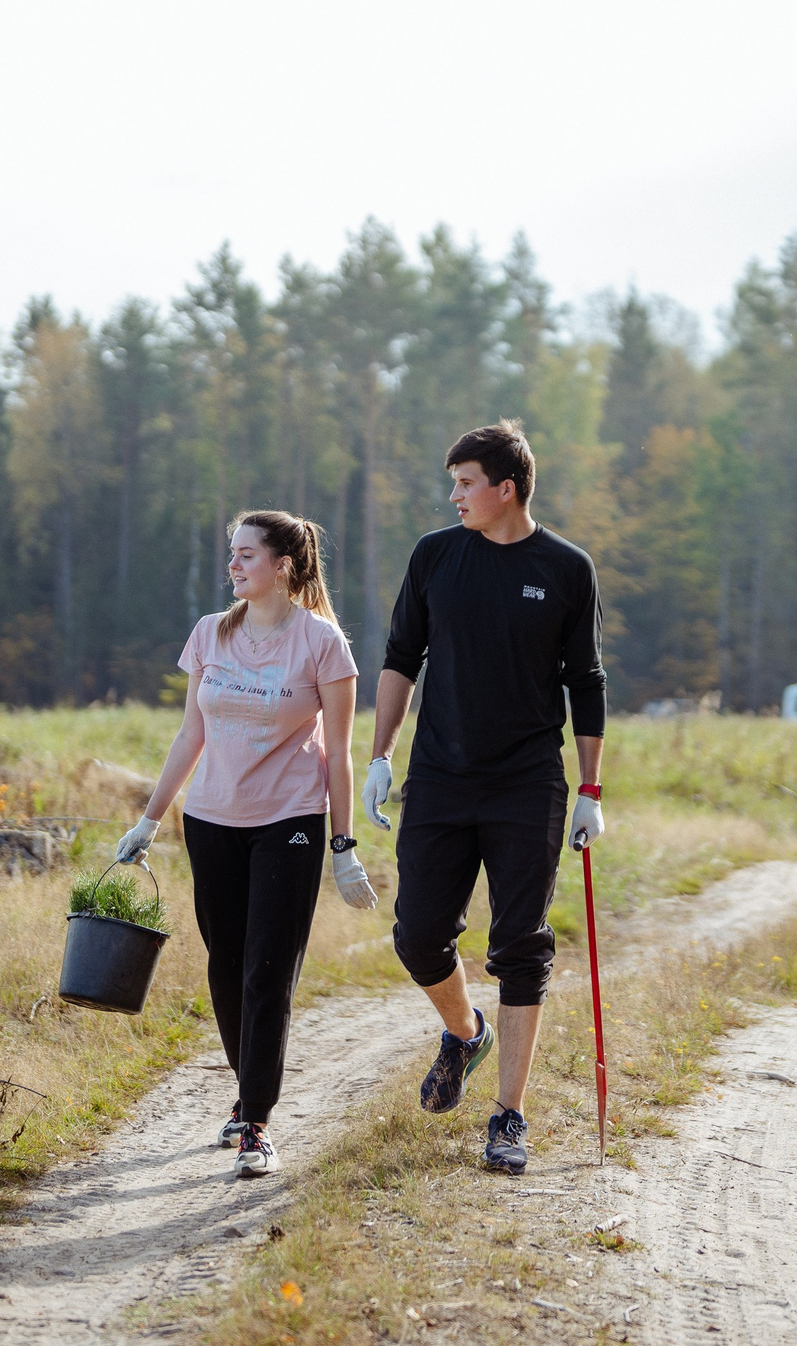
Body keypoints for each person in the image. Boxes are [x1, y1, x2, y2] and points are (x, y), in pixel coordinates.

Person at [362, 420, 606, 1176]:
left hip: (527, 782)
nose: (454, 494)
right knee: (417, 934)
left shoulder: (566, 568)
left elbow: (586, 681)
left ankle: (508, 1116)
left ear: (506, 489)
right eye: (454, 482)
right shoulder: (436, 555)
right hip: (438, 776)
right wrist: (379, 756)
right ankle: (465, 1031)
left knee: (520, 946)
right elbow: (402, 656)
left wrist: (590, 788)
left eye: (465, 481)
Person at [115, 510, 377, 1179]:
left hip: (289, 818)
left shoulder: (323, 645)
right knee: (226, 966)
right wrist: (149, 819)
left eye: (246, 555)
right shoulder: (210, 633)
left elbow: (341, 754)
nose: (233, 566)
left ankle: (255, 1121)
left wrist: (343, 846)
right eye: (231, 554)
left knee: (267, 970)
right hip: (209, 821)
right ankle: (247, 1093)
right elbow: (188, 737)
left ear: (283, 564)